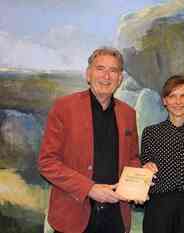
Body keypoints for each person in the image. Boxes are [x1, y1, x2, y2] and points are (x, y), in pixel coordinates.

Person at [38, 47, 153, 233]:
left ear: (120, 78)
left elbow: (132, 158)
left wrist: (138, 183)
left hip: (116, 216)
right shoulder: (64, 107)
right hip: (73, 216)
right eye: (100, 68)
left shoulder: (128, 114)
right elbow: (47, 163)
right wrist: (89, 189)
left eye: (113, 71)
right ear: (88, 74)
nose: (106, 76)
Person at [140, 75, 184, 233]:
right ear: (164, 100)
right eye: (172, 96)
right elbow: (145, 167)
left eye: (183, 96)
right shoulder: (151, 133)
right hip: (158, 209)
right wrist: (146, 169)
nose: (178, 102)